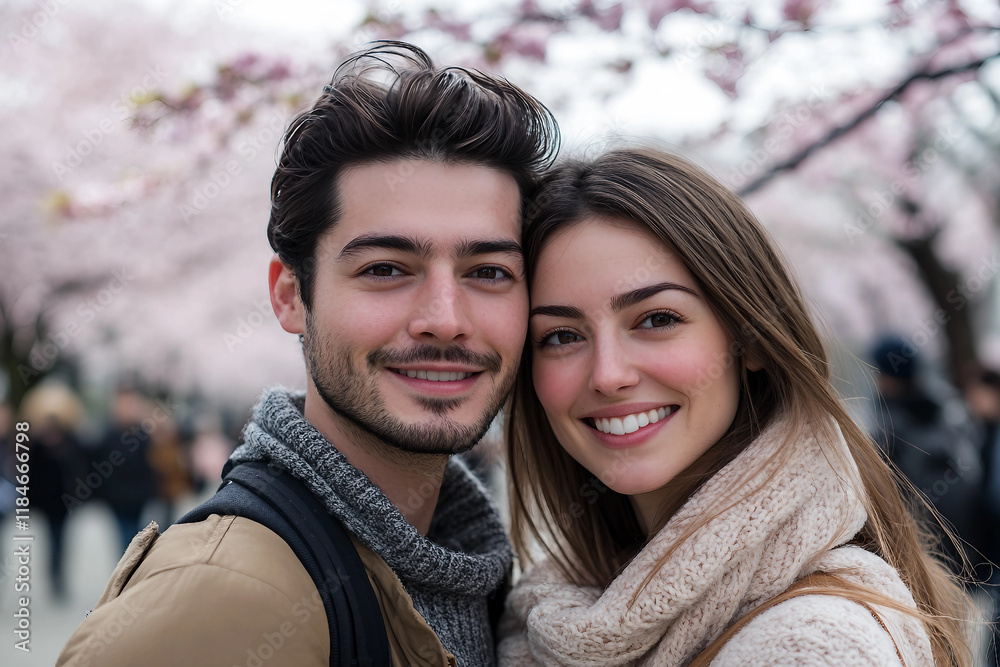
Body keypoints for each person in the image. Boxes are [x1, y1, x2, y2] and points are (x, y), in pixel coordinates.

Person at [57, 41, 558, 667]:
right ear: (291, 295)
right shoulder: (221, 605)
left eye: (487, 272)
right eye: (385, 269)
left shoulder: (476, 577)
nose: (445, 321)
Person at [498, 147, 973, 666]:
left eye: (657, 319)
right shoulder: (548, 613)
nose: (609, 375)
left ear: (752, 341)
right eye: (562, 335)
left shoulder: (813, 647)